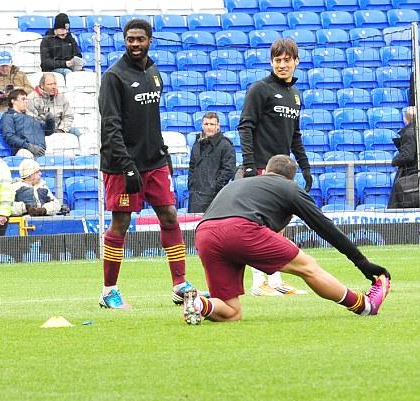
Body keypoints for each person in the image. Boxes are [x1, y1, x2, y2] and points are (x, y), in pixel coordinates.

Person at [183, 155, 391, 325]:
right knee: (308, 266)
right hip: (241, 229)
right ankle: (364, 306)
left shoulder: (238, 184)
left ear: (265, 171)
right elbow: (326, 228)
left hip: (205, 233)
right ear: (292, 179)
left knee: (231, 312)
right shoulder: (290, 188)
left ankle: (200, 304)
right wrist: (362, 262)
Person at [98, 18, 204, 309]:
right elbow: (110, 126)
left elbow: (150, 122)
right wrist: (127, 165)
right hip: (122, 164)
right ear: (124, 40)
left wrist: (163, 155)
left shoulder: (155, 73)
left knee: (170, 215)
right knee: (121, 222)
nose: (135, 44)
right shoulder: (114, 77)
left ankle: (179, 284)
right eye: (130, 39)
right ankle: (109, 291)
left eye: (140, 39)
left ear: (149, 40)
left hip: (154, 162)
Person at [238, 38, 313, 296]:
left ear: (296, 62)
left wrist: (305, 167)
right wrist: (249, 166)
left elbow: (295, 135)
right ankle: (260, 284)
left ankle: (275, 281)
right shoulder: (260, 89)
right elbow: (245, 126)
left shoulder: (295, 95)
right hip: (260, 167)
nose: (282, 65)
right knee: (262, 228)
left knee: (279, 226)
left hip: (283, 173)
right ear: (271, 62)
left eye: (287, 60)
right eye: (277, 60)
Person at [187, 112, 236, 213]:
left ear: (218, 126)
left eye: (212, 124)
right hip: (195, 197)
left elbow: (229, 170)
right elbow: (192, 166)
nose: (208, 127)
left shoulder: (225, 145)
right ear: (202, 125)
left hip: (214, 197)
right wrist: (191, 184)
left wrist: (214, 187)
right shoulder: (197, 143)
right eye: (206, 124)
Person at [0, 89, 46, 158]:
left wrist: (50, 120)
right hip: (24, 150)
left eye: (26, 99)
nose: (26, 102)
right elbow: (9, 136)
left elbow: (47, 131)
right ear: (13, 101)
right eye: (23, 99)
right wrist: (28, 146)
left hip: (41, 149)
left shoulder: (30, 117)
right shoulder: (8, 116)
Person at [389, 106, 419, 208]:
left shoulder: (409, 133)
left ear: (406, 119)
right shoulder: (415, 130)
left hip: (411, 174)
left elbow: (408, 155)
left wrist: (395, 161)